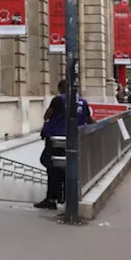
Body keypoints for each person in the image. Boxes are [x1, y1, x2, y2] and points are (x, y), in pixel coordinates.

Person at [35, 79, 93, 209]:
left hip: (57, 139)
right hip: (74, 140)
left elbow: (47, 115)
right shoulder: (83, 102)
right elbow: (89, 120)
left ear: (61, 89)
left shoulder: (58, 99)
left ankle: (52, 198)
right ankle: (65, 195)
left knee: (51, 165)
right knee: (67, 167)